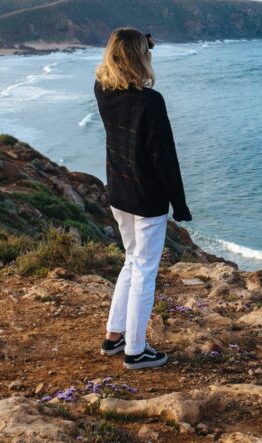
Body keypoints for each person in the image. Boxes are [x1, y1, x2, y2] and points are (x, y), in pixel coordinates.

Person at [93, 28, 192, 369]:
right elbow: (165, 158)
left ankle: (114, 336)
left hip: (119, 193)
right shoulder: (150, 102)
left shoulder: (102, 90)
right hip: (146, 197)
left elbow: (118, 60)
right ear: (140, 57)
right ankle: (136, 349)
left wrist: (137, 41)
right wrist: (179, 205)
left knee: (131, 260)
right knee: (144, 270)